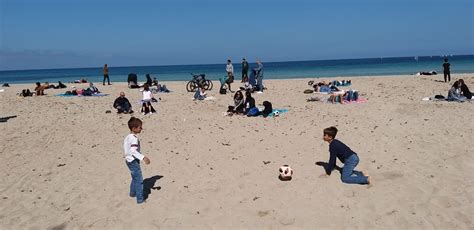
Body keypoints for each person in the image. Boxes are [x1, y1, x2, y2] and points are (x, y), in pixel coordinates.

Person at [123, 117, 151, 204]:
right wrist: (143, 157)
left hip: (128, 160)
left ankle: (132, 193)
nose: (141, 129)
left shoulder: (128, 137)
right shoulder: (134, 138)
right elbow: (133, 151)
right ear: (134, 128)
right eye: (140, 127)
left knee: (134, 177)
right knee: (139, 180)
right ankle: (140, 199)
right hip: (133, 161)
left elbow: (127, 149)